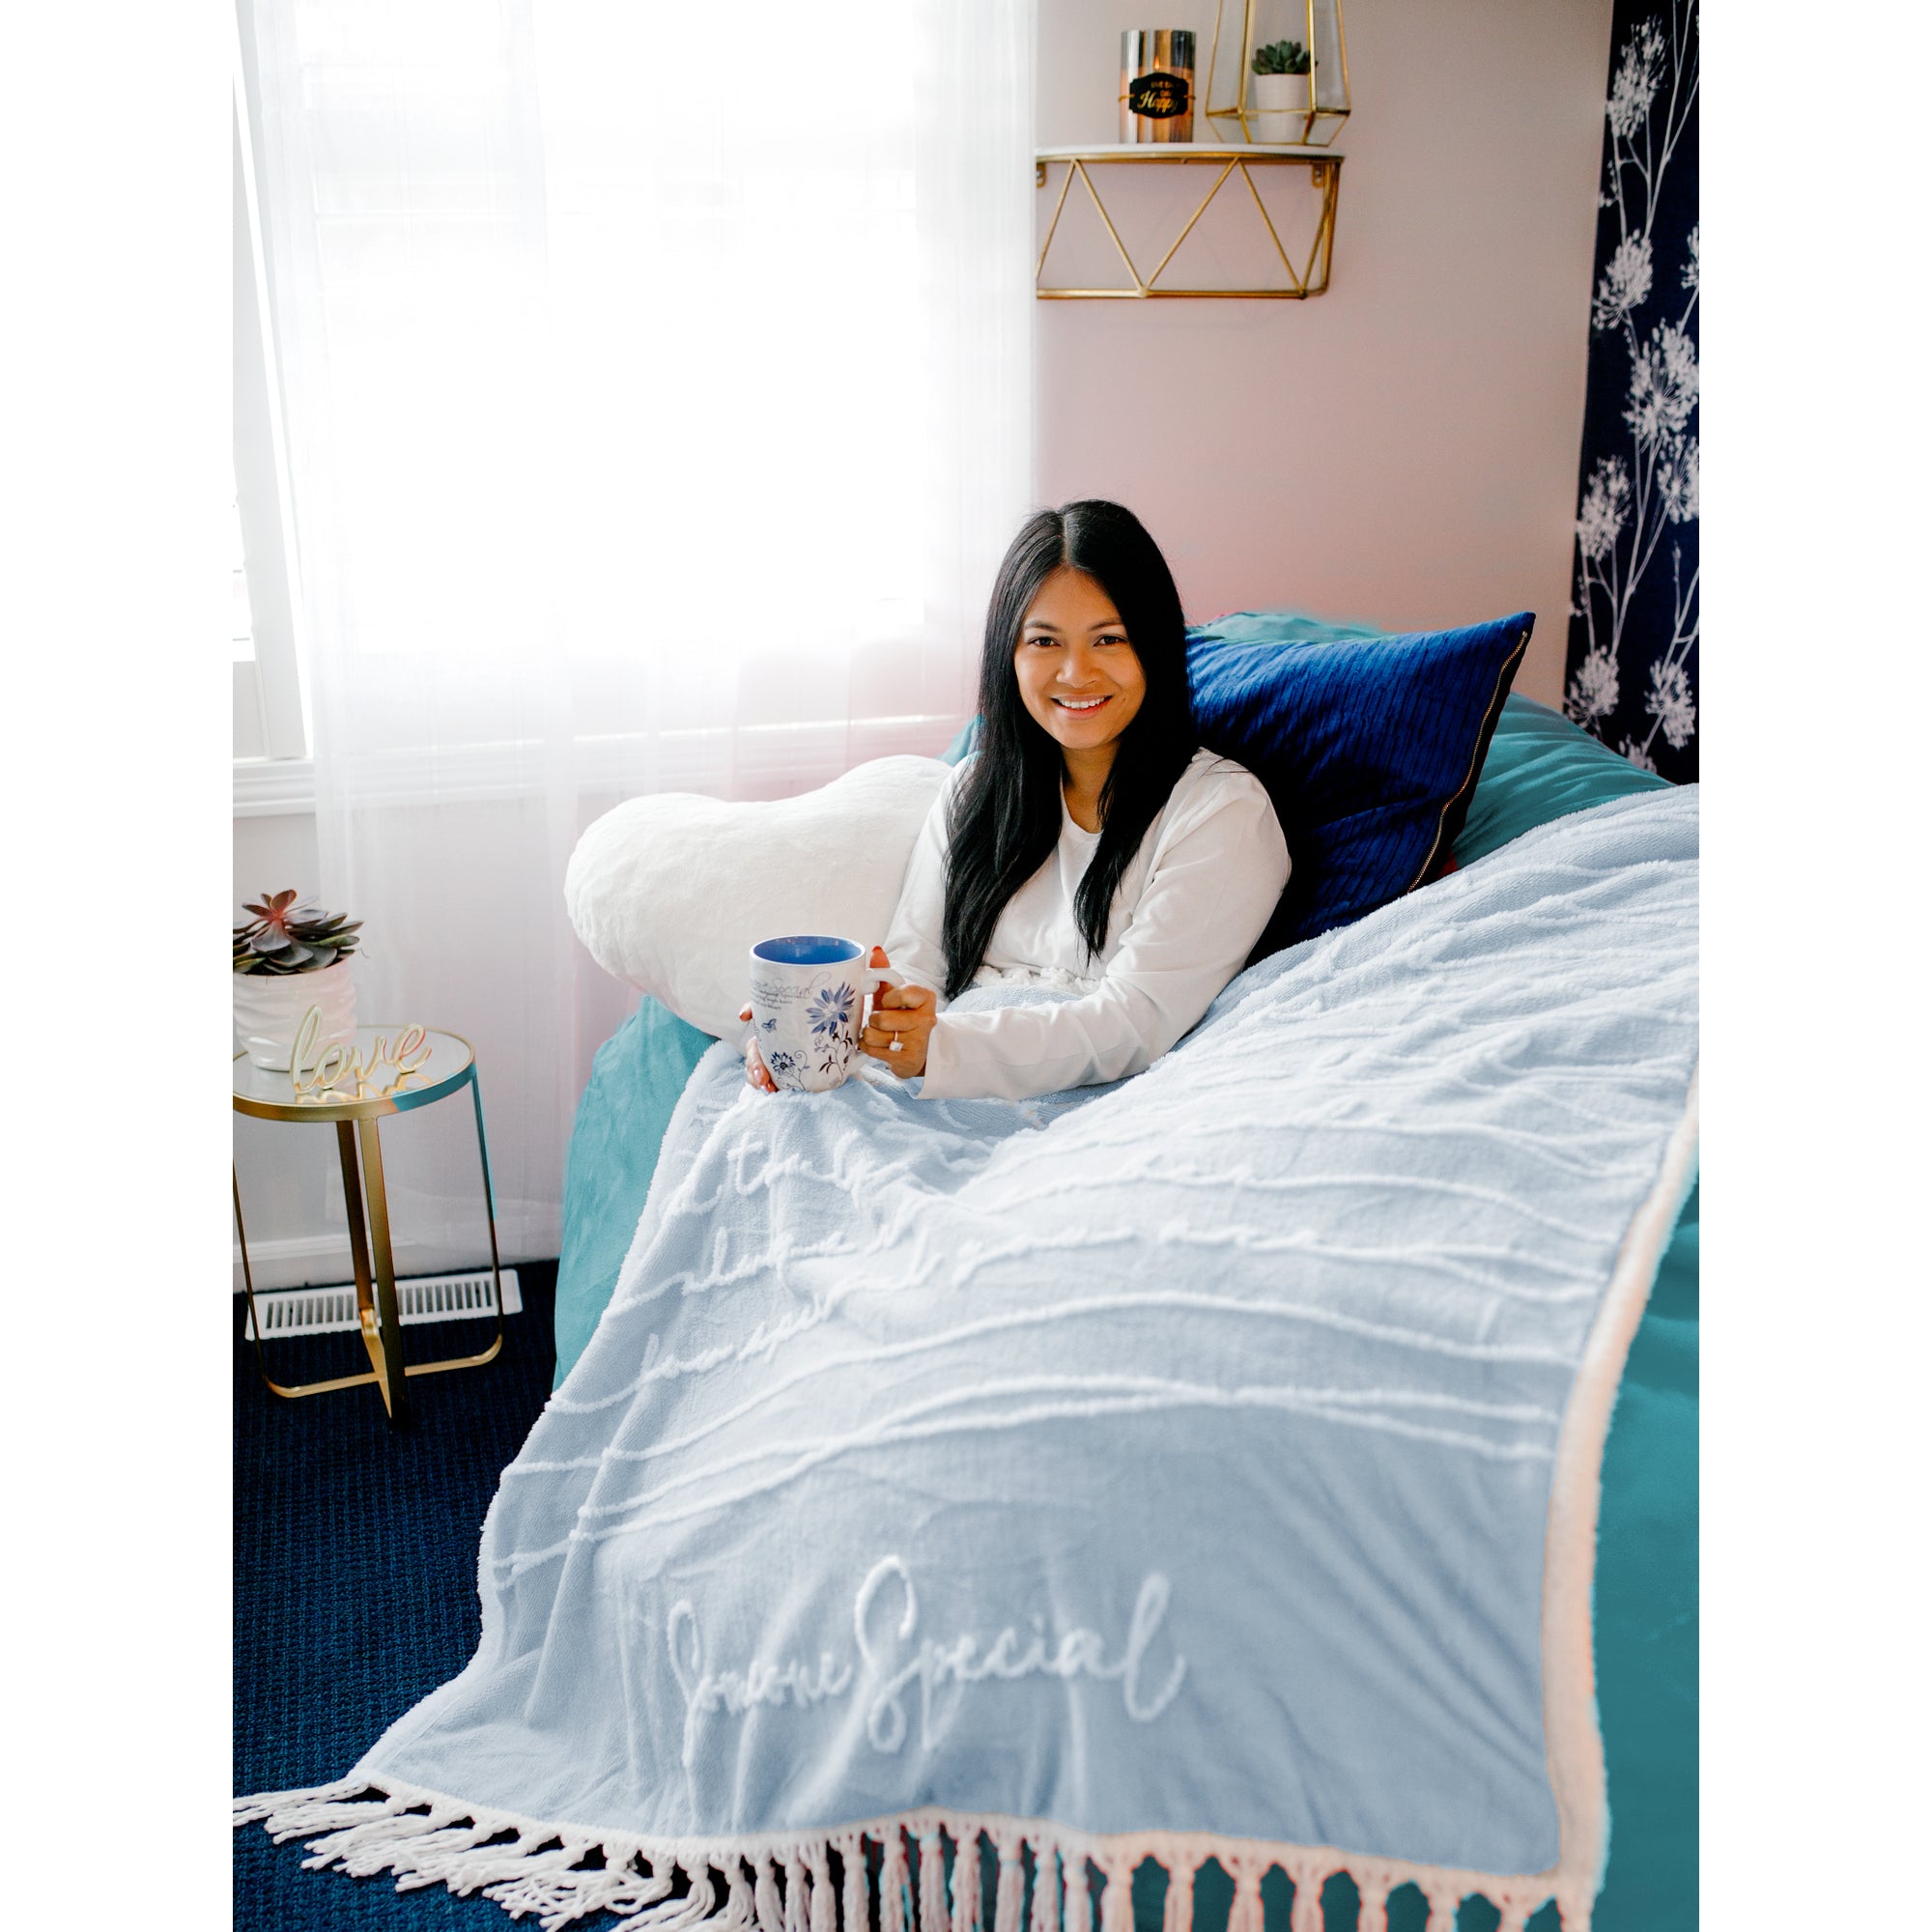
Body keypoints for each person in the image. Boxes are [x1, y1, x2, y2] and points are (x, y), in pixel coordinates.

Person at [742, 498, 1289, 1103]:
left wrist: (943, 1049)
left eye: (1109, 639)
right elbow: (916, 967)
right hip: (941, 1082)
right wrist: (818, 1027)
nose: (1076, 673)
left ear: (1154, 646)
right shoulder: (973, 789)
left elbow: (1135, 1022)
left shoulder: (1222, 813)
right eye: (1045, 641)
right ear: (1011, 654)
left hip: (1097, 1103)